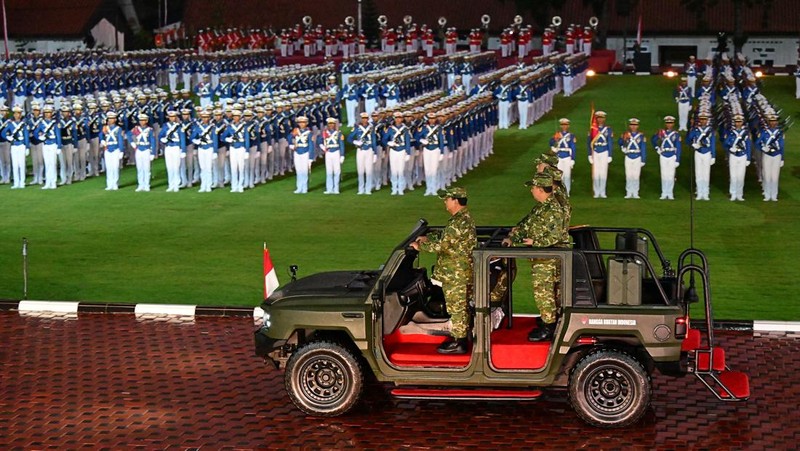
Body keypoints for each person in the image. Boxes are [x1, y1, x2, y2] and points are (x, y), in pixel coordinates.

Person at [503, 173, 570, 342]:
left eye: (533, 187)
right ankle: (549, 321)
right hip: (542, 258)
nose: (532, 190)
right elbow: (526, 226)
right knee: (544, 292)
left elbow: (555, 236)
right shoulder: (541, 207)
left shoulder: (554, 209)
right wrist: (514, 235)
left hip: (548, 259)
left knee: (545, 293)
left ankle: (549, 327)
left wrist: (535, 242)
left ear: (540, 189)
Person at [410, 187, 477, 354]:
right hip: (460, 272)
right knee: (460, 307)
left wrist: (420, 246)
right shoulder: (462, 219)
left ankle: (459, 343)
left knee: (457, 308)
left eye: (447, 199)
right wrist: (429, 237)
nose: (445, 202)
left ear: (455, 200)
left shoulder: (458, 222)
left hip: (456, 274)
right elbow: (448, 238)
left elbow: (442, 245)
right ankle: (460, 336)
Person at [651, 116, 681, 200]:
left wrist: (677, 159)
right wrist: (657, 148)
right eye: (667, 123)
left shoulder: (676, 134)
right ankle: (664, 192)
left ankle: (670, 192)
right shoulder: (661, 132)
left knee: (671, 175)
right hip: (663, 154)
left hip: (672, 155)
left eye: (671, 123)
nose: (669, 125)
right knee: (664, 174)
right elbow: (653, 140)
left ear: (673, 124)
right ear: (665, 123)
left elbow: (678, 147)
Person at [347, 112, 378, 195]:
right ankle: (361, 189)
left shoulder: (371, 128)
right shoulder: (357, 127)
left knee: (369, 170)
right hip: (360, 150)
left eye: (366, 118)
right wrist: (355, 142)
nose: (364, 120)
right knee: (360, 170)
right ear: (361, 119)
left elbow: (374, 140)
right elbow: (349, 138)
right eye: (363, 118)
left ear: (368, 119)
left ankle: (368, 189)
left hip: (369, 150)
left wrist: (375, 153)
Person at [724, 114, 752, 201]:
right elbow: (726, 143)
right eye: (736, 122)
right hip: (733, 155)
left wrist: (748, 158)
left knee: (741, 176)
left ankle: (740, 194)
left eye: (739, 122)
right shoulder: (731, 133)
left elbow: (748, 146)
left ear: (742, 122)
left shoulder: (746, 134)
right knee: (733, 176)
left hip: (743, 155)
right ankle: (733, 193)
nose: (738, 123)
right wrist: (730, 148)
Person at [757, 115, 784, 201]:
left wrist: (782, 158)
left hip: (777, 155)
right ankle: (767, 195)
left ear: (776, 122)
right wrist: (763, 148)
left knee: (775, 176)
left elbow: (782, 146)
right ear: (769, 122)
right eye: (771, 121)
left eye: (774, 121)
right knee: (767, 175)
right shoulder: (764, 132)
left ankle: (774, 195)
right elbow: (758, 142)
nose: (773, 123)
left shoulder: (779, 132)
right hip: (767, 155)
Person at [384, 111, 411, 195]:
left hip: (402, 150)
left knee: (401, 170)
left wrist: (408, 153)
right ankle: (394, 188)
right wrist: (388, 143)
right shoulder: (390, 129)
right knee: (394, 170)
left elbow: (407, 142)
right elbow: (384, 139)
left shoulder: (405, 129)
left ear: (402, 119)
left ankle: (401, 188)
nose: (398, 119)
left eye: (400, 118)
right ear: (394, 119)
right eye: (397, 118)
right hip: (393, 150)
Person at [159, 110, 187, 192]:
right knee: (169, 167)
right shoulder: (165, 126)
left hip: (176, 147)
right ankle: (170, 184)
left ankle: (176, 184)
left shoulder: (179, 126)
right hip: (168, 147)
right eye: (170, 117)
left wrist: (183, 150)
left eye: (173, 116)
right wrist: (162, 139)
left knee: (176, 167)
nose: (172, 118)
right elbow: (161, 135)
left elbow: (182, 138)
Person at [618, 118, 647, 199]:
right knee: (629, 175)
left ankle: (635, 192)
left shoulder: (641, 135)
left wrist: (643, 159)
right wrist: (622, 145)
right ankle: (628, 192)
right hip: (628, 156)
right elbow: (620, 142)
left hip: (637, 156)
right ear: (629, 126)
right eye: (632, 125)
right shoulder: (625, 134)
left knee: (636, 175)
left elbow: (643, 148)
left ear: (637, 126)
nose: (633, 126)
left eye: (635, 125)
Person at [35, 105, 62, 190]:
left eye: (49, 113)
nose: (47, 114)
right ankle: (47, 182)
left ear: (51, 113)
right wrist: (39, 137)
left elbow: (58, 136)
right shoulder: (41, 123)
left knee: (53, 164)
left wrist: (59, 146)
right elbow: (36, 132)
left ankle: (53, 182)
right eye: (46, 113)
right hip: (45, 144)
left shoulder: (55, 123)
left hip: (53, 144)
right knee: (47, 164)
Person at [587, 110, 613, 198]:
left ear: (604, 119)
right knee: (596, 172)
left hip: (604, 151)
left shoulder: (608, 129)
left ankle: (602, 192)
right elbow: (589, 142)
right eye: (598, 118)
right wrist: (589, 154)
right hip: (595, 151)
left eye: (602, 118)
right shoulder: (593, 129)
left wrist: (610, 155)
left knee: (603, 172)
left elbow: (610, 142)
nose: (600, 120)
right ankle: (596, 191)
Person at [418, 112, 445, 196]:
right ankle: (428, 188)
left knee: (434, 170)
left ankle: (434, 188)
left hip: (435, 149)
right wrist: (422, 140)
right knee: (427, 170)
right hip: (427, 149)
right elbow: (417, 136)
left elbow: (441, 141)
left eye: (433, 118)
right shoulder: (424, 128)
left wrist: (442, 152)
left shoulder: (439, 128)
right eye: (430, 119)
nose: (431, 120)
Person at [3, 106, 29, 189]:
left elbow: (26, 136)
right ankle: (16, 182)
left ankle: (22, 182)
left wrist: (27, 146)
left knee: (21, 164)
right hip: (14, 145)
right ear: (13, 114)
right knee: (15, 165)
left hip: (21, 145)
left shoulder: (23, 124)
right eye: (15, 113)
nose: (17, 115)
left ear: (21, 114)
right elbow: (3, 132)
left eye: (18, 113)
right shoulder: (10, 124)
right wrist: (8, 137)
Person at [191, 109, 218, 193]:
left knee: (209, 168)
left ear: (209, 118)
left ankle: (208, 185)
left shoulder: (212, 128)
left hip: (209, 148)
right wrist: (196, 141)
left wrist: (215, 151)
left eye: (206, 117)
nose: (205, 119)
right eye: (203, 117)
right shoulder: (198, 127)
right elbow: (192, 137)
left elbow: (215, 140)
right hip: (201, 148)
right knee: (202, 168)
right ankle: (203, 185)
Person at [129, 113, 157, 192]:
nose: (141, 122)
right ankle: (140, 184)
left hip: (146, 149)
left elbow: (153, 142)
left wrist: (153, 153)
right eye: (140, 120)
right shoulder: (136, 128)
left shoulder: (150, 130)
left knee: (147, 168)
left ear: (146, 121)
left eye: (143, 120)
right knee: (140, 168)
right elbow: (128, 134)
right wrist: (132, 142)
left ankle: (147, 185)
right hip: (138, 149)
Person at [318, 117, 345, 194]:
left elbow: (341, 144)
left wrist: (342, 155)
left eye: (332, 124)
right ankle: (329, 188)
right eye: (329, 124)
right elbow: (319, 140)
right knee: (329, 171)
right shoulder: (324, 133)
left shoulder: (338, 133)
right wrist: (322, 147)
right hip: (328, 152)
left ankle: (336, 188)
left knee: (337, 171)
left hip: (336, 152)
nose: (331, 125)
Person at [99, 111, 125, 191]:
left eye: (112, 118)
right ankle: (109, 184)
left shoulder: (118, 128)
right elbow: (100, 135)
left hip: (116, 148)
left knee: (115, 167)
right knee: (109, 167)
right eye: (109, 119)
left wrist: (121, 150)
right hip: (107, 148)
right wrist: (102, 140)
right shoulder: (105, 128)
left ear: (115, 119)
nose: (110, 120)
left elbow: (120, 140)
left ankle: (115, 183)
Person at [550, 118, 576, 195]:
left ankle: (567, 191)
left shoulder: (571, 136)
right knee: (558, 176)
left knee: (567, 175)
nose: (564, 126)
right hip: (559, 156)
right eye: (563, 125)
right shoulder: (558, 134)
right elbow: (551, 142)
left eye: (566, 125)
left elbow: (573, 148)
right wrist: (554, 144)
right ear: (561, 126)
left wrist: (573, 159)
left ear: (568, 126)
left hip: (567, 156)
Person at [288, 115, 313, 194]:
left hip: (305, 152)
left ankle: (304, 187)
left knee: (304, 170)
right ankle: (299, 187)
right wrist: (291, 144)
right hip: (297, 152)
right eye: (300, 123)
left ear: (306, 123)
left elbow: (311, 145)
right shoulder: (296, 131)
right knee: (298, 170)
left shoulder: (309, 132)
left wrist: (311, 157)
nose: (302, 124)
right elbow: (289, 137)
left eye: (303, 123)